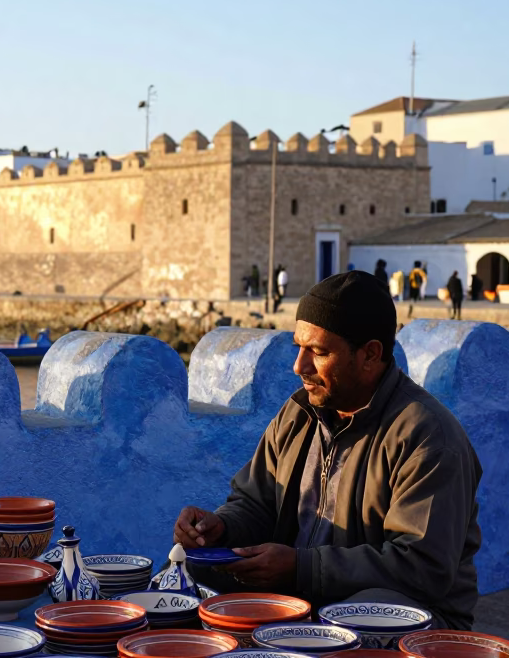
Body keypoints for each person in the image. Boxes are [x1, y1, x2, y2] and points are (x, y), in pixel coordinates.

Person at [173, 270, 482, 630]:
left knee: (363, 616)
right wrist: (221, 529)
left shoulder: (428, 436)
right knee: (187, 570)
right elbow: (257, 504)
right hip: (303, 597)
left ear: (370, 355)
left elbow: (421, 568)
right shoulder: (299, 412)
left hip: (410, 618)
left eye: (318, 352)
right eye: (299, 348)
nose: (299, 366)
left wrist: (301, 567)